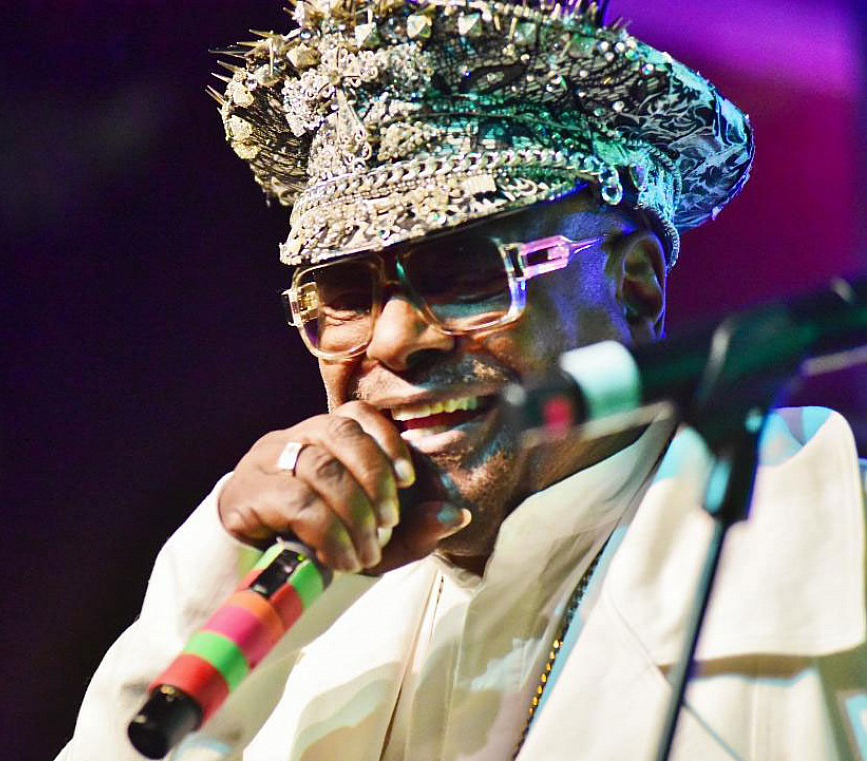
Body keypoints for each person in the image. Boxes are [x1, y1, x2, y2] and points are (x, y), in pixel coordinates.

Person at [57, 1, 867, 759]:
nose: (394, 340)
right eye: (345, 294)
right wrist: (220, 573)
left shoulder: (837, 553)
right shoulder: (292, 630)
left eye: (466, 272)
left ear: (636, 288)